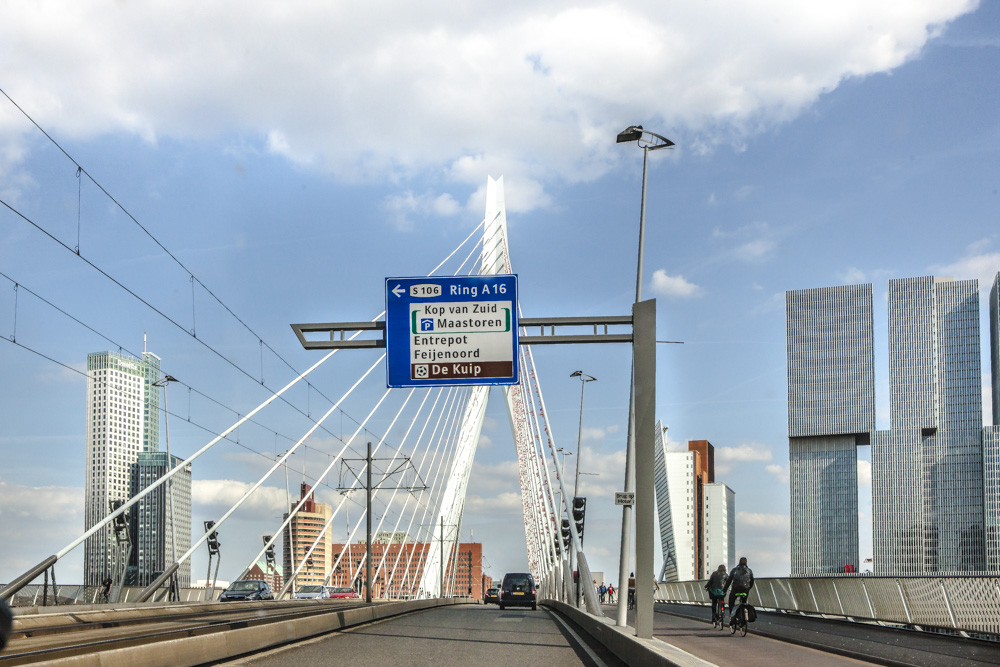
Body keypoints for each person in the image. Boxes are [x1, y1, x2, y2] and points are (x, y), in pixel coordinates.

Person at [722, 557, 754, 623]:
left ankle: (732, 618)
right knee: (744, 602)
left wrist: (724, 590)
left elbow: (729, 581)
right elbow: (752, 581)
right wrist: (748, 588)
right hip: (745, 590)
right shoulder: (749, 570)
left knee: (731, 602)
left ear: (739, 562)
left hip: (736, 589)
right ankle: (744, 617)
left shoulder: (734, 570)